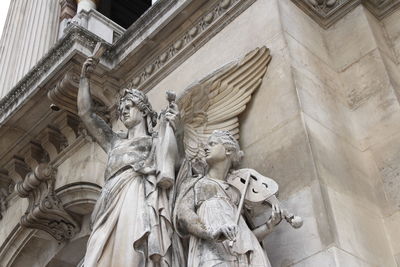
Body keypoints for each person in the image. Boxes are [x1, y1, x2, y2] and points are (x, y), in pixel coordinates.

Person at [78, 57, 181, 267]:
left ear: (143, 110)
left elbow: (170, 163)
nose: (123, 111)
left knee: (130, 253)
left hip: (136, 195)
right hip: (109, 200)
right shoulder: (114, 141)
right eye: (121, 108)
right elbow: (86, 114)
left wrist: (170, 125)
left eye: (129, 106)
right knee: (94, 258)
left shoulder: (153, 140)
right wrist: (84, 79)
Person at [174, 130, 283, 267]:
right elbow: (184, 216)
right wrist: (211, 232)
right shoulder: (197, 183)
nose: (205, 148)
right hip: (212, 254)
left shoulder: (237, 194)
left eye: (212, 144)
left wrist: (269, 226)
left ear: (228, 150)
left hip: (243, 260)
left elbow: (246, 239)